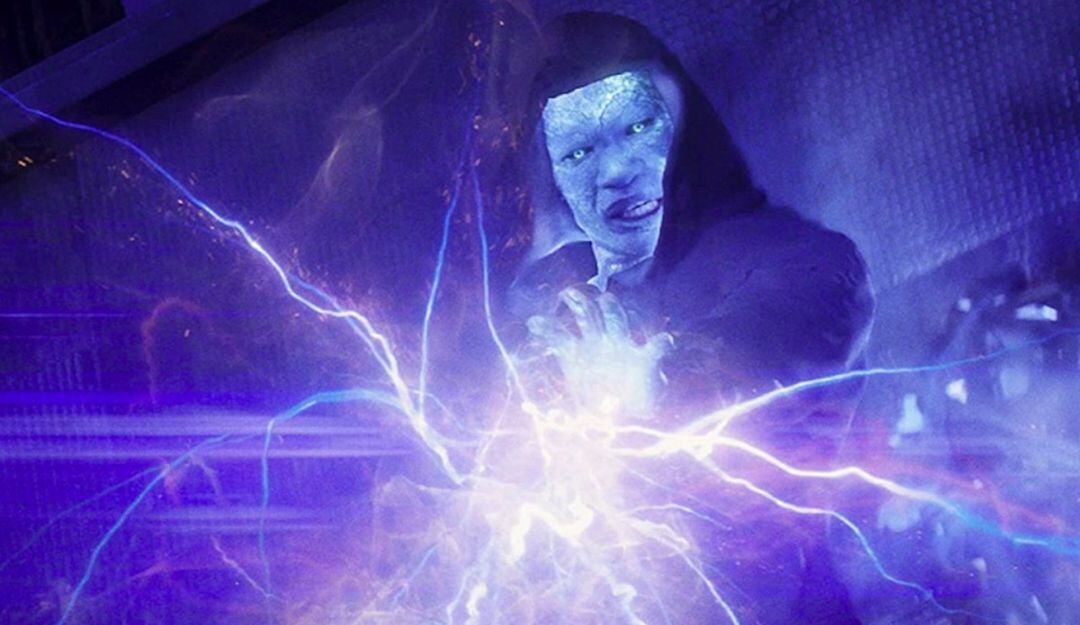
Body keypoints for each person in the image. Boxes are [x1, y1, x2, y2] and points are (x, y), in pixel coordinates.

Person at [504, 11, 874, 624]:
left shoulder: (799, 258)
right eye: (578, 152)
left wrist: (655, 382)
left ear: (683, 129)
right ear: (555, 180)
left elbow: (776, 344)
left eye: (637, 127)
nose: (614, 172)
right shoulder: (545, 305)